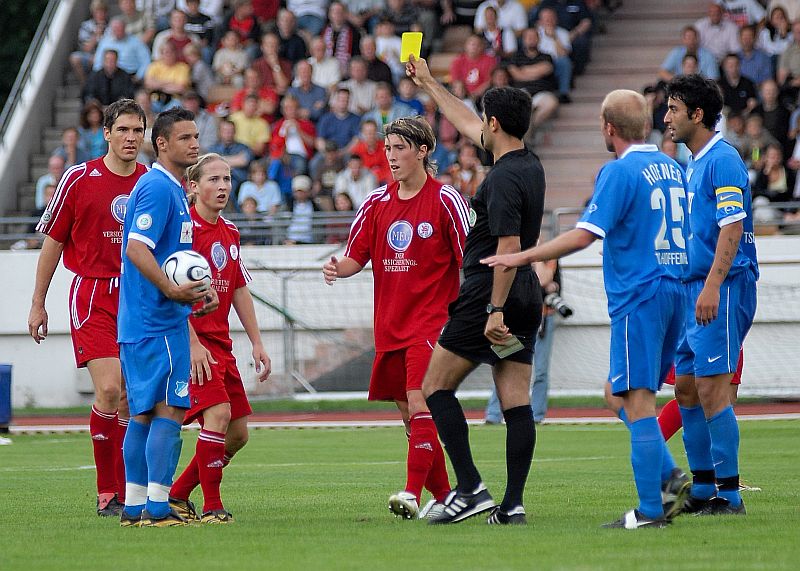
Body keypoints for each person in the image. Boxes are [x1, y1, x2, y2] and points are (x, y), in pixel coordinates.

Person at [483, 89, 690, 529]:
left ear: (609, 128)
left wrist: (521, 256)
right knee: (615, 394)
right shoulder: (673, 167)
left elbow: (583, 235)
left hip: (642, 294)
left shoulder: (619, 171)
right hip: (675, 290)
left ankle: (652, 511)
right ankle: (669, 473)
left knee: (636, 401)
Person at [407, 55, 545, 526]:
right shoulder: (528, 163)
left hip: (494, 289)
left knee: (434, 388)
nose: (478, 127)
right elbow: (465, 121)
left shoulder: (503, 178)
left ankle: (469, 489)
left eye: (484, 121)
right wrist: (429, 83)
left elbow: (506, 246)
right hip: (528, 290)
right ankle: (513, 505)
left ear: (495, 123)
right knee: (516, 401)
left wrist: (493, 309)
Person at [322, 116, 469, 520]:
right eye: (388, 149)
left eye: (400, 148)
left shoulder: (445, 199)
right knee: (409, 415)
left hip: (432, 322)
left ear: (423, 151)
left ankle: (411, 492)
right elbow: (357, 256)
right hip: (390, 325)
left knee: (421, 402)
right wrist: (339, 268)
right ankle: (446, 498)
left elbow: (468, 259)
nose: (391, 156)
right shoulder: (375, 202)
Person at [28, 99, 149, 518]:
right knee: (110, 389)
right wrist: (38, 303)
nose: (132, 138)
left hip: (138, 298)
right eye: (125, 130)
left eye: (138, 130)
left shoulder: (151, 181)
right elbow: (53, 243)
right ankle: (106, 492)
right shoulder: (79, 179)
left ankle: (128, 488)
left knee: (134, 400)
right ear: (107, 134)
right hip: (93, 295)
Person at [117, 107, 218, 527]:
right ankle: (158, 509)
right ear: (161, 143)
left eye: (196, 137)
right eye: (185, 138)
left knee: (142, 413)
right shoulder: (159, 188)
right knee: (169, 411)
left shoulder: (172, 188)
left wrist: (199, 289)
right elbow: (136, 249)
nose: (195, 144)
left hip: (147, 320)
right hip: (157, 322)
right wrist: (172, 291)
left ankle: (133, 507)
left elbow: (173, 256)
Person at [664, 74, 759, 516]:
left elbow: (732, 227)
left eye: (674, 109)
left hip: (721, 287)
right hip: (691, 287)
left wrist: (712, 286)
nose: (666, 117)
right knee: (685, 388)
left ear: (697, 115)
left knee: (712, 389)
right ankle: (702, 489)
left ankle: (730, 494)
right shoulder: (695, 162)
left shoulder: (722, 160)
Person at [168, 154, 271, 524]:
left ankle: (177, 494)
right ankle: (212, 507)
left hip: (222, 343)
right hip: (192, 343)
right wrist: (192, 343)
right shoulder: (183, 231)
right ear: (193, 187)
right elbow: (169, 293)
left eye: (227, 179)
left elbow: (239, 287)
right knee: (218, 414)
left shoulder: (230, 231)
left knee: (238, 434)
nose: (223, 186)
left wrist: (257, 341)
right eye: (214, 179)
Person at [485, 259, 561, 424]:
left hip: (542, 318)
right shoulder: (513, 255)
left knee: (540, 370)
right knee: (504, 363)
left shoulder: (549, 256)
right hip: (515, 316)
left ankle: (536, 415)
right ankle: (494, 414)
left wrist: (537, 257)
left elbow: (544, 279)